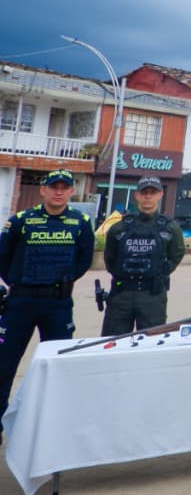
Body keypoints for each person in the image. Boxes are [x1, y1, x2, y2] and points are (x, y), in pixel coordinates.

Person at [0, 169, 94, 443]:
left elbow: (83, 260)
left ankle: (51, 423)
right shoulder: (20, 221)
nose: (58, 191)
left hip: (58, 303)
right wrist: (21, 283)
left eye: (65, 187)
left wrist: (58, 282)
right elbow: (3, 258)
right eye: (54, 187)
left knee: (57, 364)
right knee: (5, 364)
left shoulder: (81, 222)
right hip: (20, 302)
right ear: (43, 190)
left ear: (71, 192)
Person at [102, 176, 185, 333]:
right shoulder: (119, 227)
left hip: (152, 295)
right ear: (137, 195)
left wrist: (160, 272)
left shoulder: (170, 227)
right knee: (112, 343)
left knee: (152, 344)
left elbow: (177, 254)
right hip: (121, 295)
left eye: (152, 192)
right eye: (144, 192)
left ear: (160, 195)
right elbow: (110, 258)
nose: (148, 196)